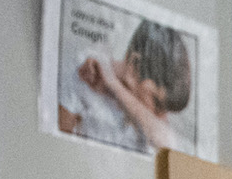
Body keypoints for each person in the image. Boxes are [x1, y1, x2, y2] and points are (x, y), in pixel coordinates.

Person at [68, 19, 193, 154]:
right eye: (156, 103)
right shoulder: (83, 74)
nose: (161, 118)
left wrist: (114, 86)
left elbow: (170, 147)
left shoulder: (144, 114)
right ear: (135, 63)